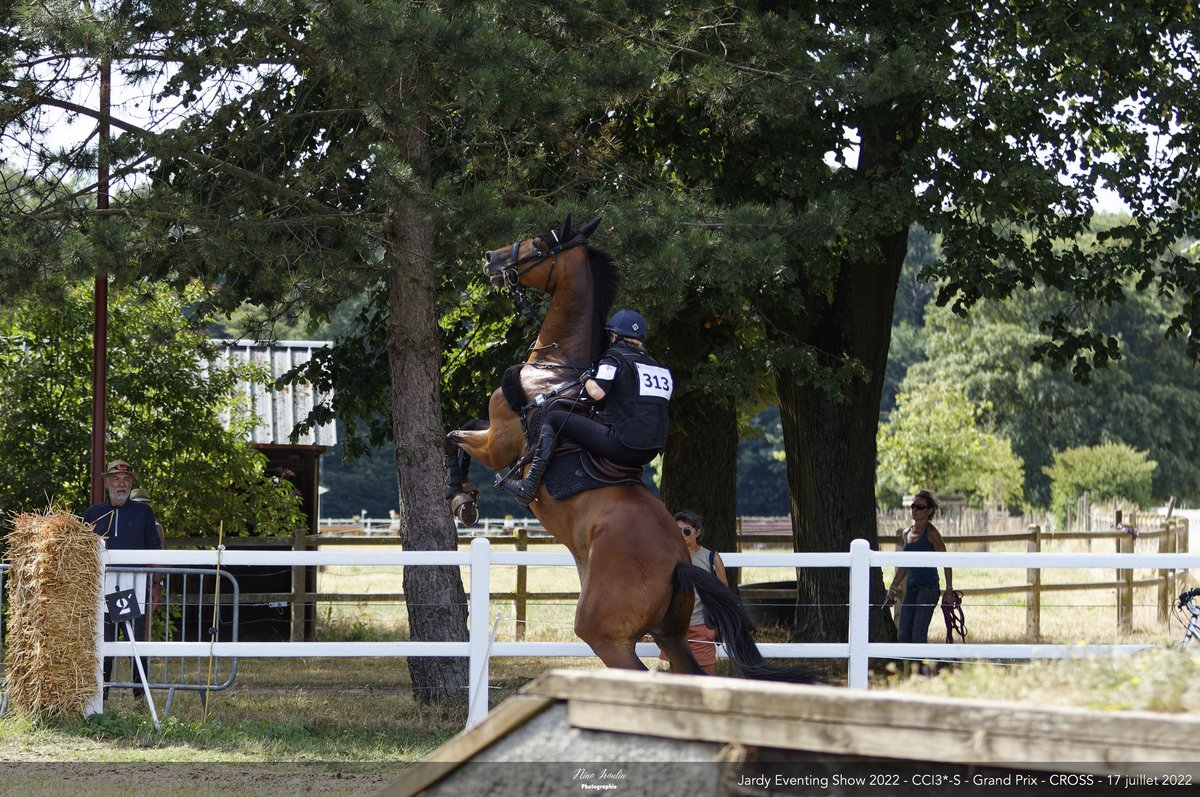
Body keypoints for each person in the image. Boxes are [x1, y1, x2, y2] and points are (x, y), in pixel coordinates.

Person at [497, 308, 673, 506]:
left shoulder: (614, 358)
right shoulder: (657, 367)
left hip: (623, 444)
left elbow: (597, 392)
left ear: (614, 336)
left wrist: (587, 378)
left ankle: (528, 486)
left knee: (554, 418)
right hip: (651, 450)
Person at [84, 460, 163, 696]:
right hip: (101, 589)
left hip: (134, 589)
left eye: (126, 480)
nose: (122, 484)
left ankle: (140, 695)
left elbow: (154, 551)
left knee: (136, 643)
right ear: (107, 483)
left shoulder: (144, 513)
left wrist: (156, 585)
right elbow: (82, 553)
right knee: (103, 643)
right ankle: (102, 695)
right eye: (116, 479)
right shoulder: (93, 513)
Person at [659, 510, 729, 675]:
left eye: (687, 531)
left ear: (697, 532)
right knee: (680, 681)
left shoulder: (711, 558)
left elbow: (724, 595)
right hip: (676, 630)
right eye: (677, 531)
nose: (682, 535)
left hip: (702, 628)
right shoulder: (668, 558)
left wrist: (715, 627)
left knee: (707, 679)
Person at [885, 490, 955, 645]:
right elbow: (905, 564)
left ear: (930, 511)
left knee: (918, 635)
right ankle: (907, 662)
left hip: (928, 589)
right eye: (913, 506)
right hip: (911, 588)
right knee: (903, 634)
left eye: (920, 507)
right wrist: (893, 587)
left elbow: (947, 561)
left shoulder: (932, 533)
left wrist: (949, 590)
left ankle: (921, 662)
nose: (915, 510)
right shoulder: (906, 533)